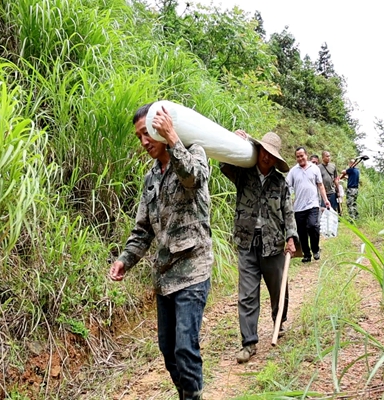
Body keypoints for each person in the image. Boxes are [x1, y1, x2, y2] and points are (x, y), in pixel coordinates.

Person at [109, 103, 212, 400]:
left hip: (194, 269)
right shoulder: (150, 179)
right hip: (165, 276)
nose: (143, 142)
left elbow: (194, 179)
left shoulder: (194, 154)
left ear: (161, 130)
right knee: (168, 351)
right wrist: (124, 260)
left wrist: (173, 138)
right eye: (139, 136)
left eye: (148, 134)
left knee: (185, 348)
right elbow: (143, 230)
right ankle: (187, 394)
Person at [220, 131, 298, 364]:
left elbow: (288, 211)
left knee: (278, 290)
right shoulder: (243, 173)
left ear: (276, 159)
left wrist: (291, 236)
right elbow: (224, 163)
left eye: (272, 155)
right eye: (264, 152)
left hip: (273, 243)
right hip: (247, 242)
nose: (266, 158)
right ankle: (249, 342)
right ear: (258, 151)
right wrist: (235, 141)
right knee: (247, 294)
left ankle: (279, 322)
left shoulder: (280, 182)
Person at [286, 147, 330, 263]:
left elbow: (320, 185)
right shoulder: (293, 171)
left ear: (306, 155)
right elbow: (287, 187)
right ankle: (306, 254)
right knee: (301, 233)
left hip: (313, 204)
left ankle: (315, 249)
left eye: (302, 156)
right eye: (298, 156)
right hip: (299, 207)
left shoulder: (314, 168)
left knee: (313, 226)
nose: (300, 158)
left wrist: (325, 200)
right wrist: (287, 201)